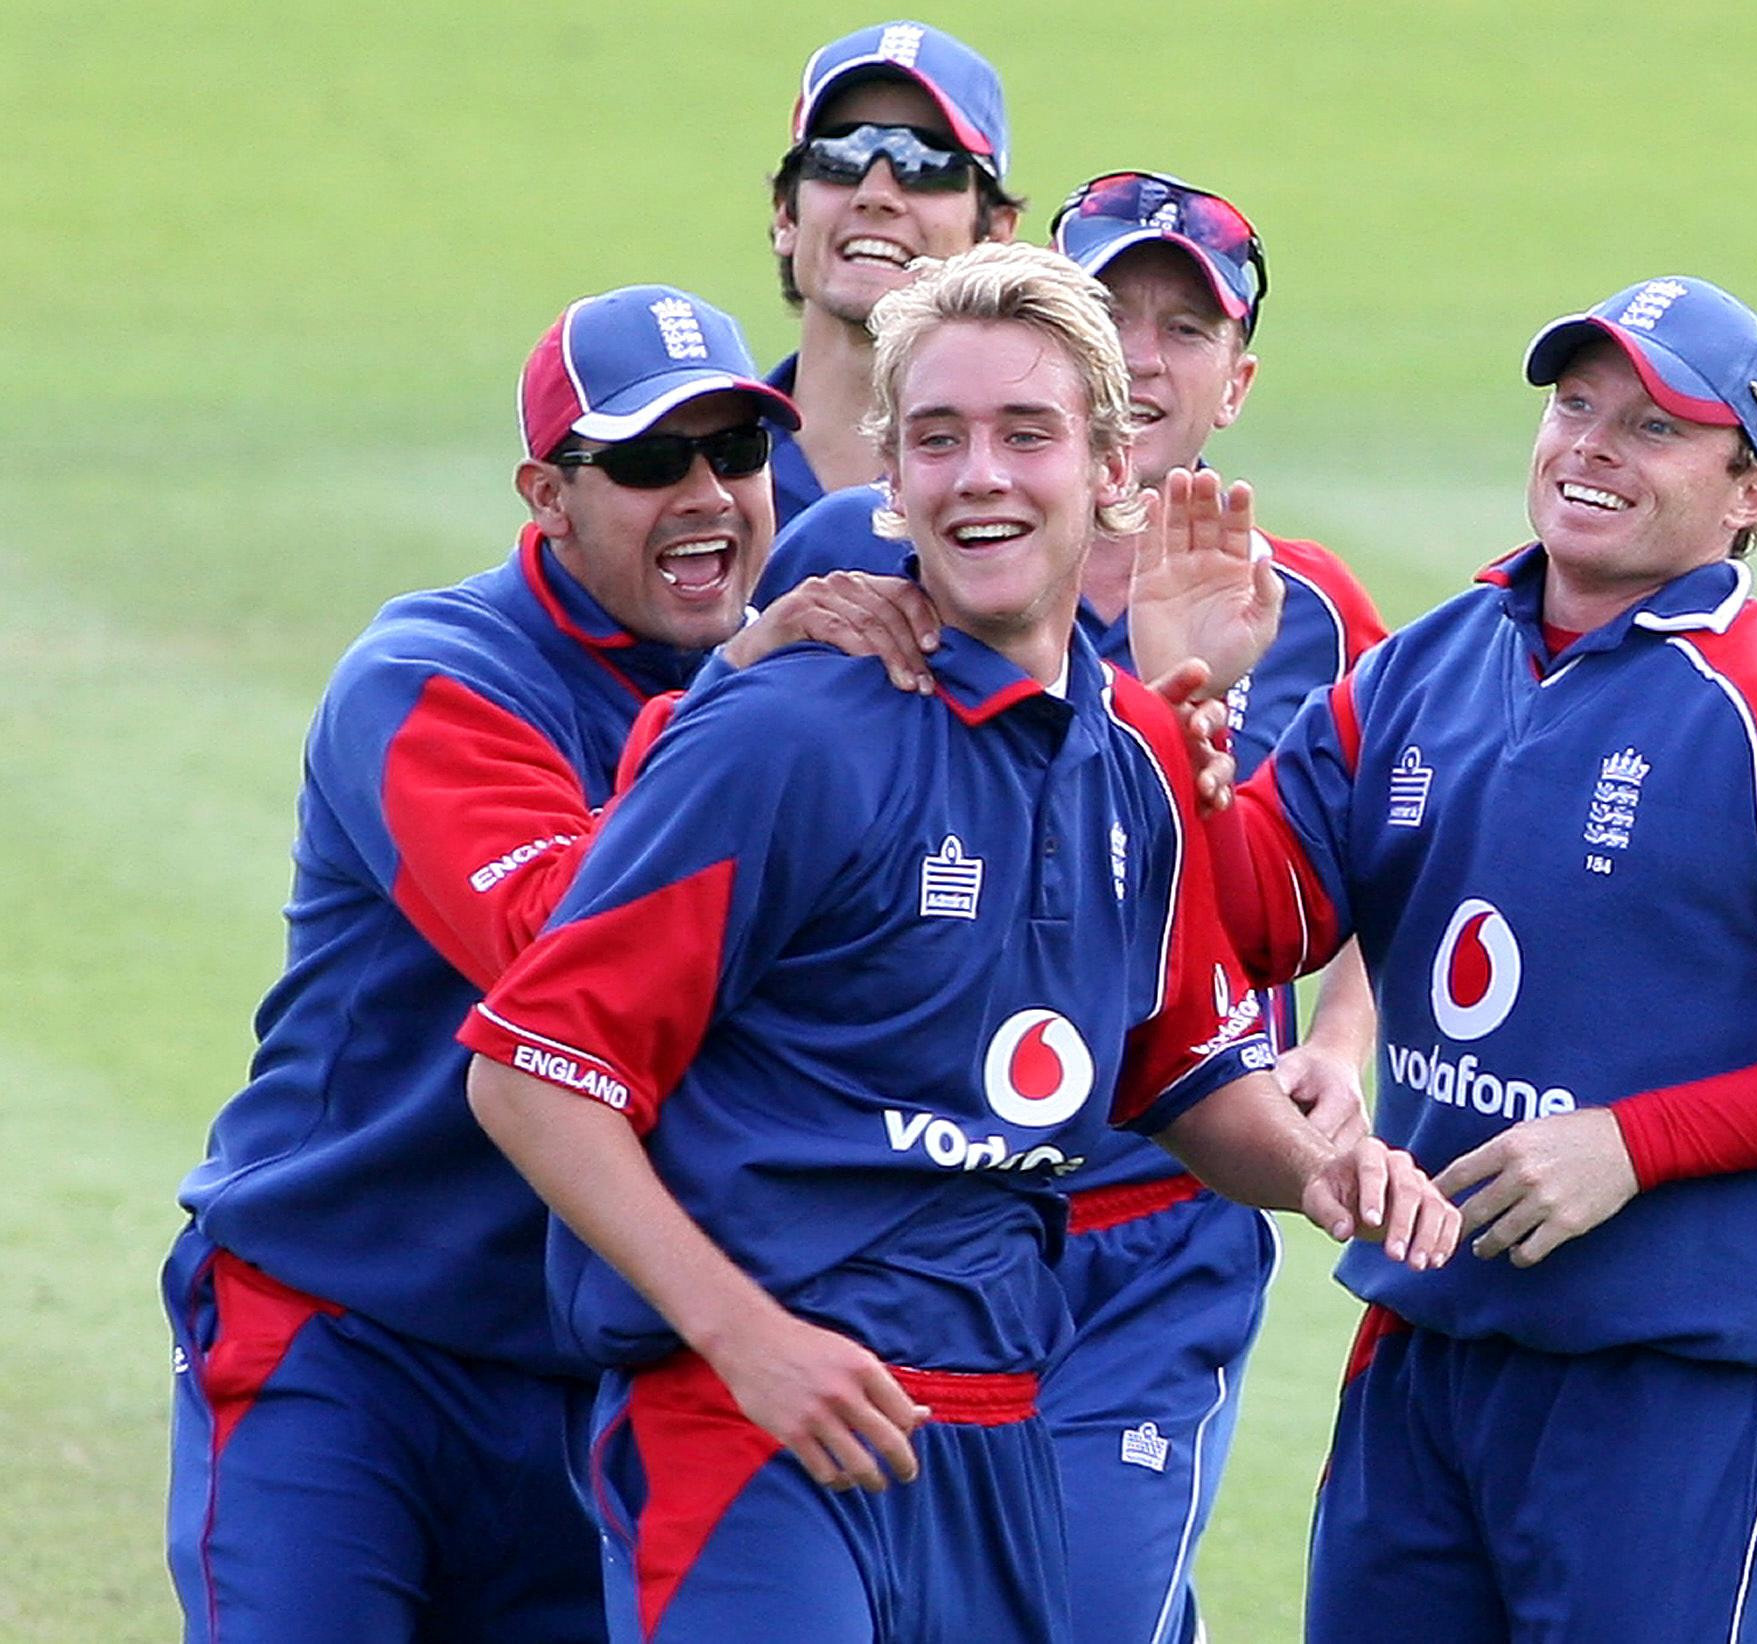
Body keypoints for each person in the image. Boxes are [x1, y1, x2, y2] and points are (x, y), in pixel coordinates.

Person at [456, 243, 1461, 1644]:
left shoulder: (1129, 770)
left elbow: (1175, 1072)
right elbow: (532, 1074)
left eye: (1023, 433)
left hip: (993, 1432)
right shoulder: (785, 736)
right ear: (888, 483)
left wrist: (1322, 1168)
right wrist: (748, 1343)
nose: (978, 474)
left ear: (1111, 469)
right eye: (936, 438)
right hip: (754, 1438)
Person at [1173, 275, 1757, 1642]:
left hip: (1671, 1384)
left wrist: (1631, 1145)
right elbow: (1257, 922)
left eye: (1650, 426)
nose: (1587, 447)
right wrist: (1187, 720)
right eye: (1572, 406)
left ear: (1754, 491)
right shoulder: (1421, 669)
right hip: (1421, 1350)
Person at [161, 283, 933, 1642]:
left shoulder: (807, 699)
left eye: (734, 453)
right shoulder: (426, 679)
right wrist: (741, 690)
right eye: (644, 463)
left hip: (594, 1364)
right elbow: (563, 950)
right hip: (342, 1345)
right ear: (546, 493)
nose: (705, 496)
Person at [758, 173, 1390, 1642]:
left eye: (1188, 327)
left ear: (1234, 383)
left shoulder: (1299, 607)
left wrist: (1341, 1050)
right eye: (1115, 310)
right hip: (915, 1218)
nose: (1148, 353)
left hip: (1158, 1220)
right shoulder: (861, 557)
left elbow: (1369, 872)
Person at [763, 20, 1022, 528]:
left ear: (993, 236)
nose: (876, 195)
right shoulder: (698, 474)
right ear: (786, 216)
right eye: (840, 155)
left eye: (926, 163)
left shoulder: (1029, 499)